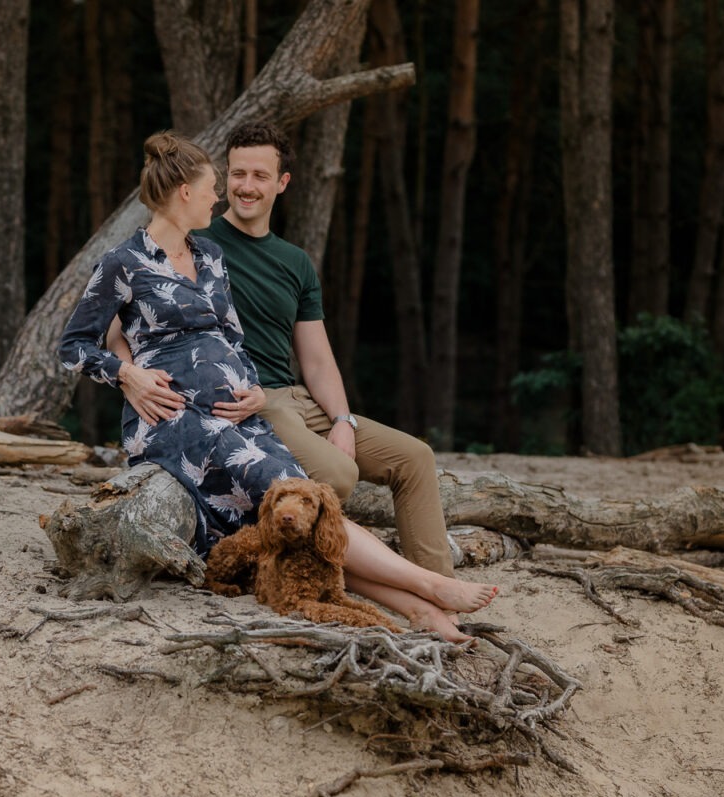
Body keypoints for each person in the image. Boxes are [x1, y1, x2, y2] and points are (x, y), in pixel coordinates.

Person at [60, 131, 495, 642]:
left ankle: (418, 610)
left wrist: (259, 393)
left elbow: (230, 338)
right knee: (279, 488)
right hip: (176, 418)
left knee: (301, 512)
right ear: (183, 191)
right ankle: (430, 585)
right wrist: (128, 375)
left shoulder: (210, 257)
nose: (218, 197)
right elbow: (75, 346)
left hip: (239, 411)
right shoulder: (123, 262)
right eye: (212, 188)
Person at [114, 122, 457, 585]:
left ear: (283, 183)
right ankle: (337, 576)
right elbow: (119, 322)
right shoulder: (198, 243)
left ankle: (439, 585)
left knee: (415, 457)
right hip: (248, 402)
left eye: (259, 176)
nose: (246, 187)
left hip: (299, 398)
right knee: (336, 476)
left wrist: (342, 420)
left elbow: (316, 359)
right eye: (237, 174)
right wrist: (130, 377)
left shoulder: (295, 261)